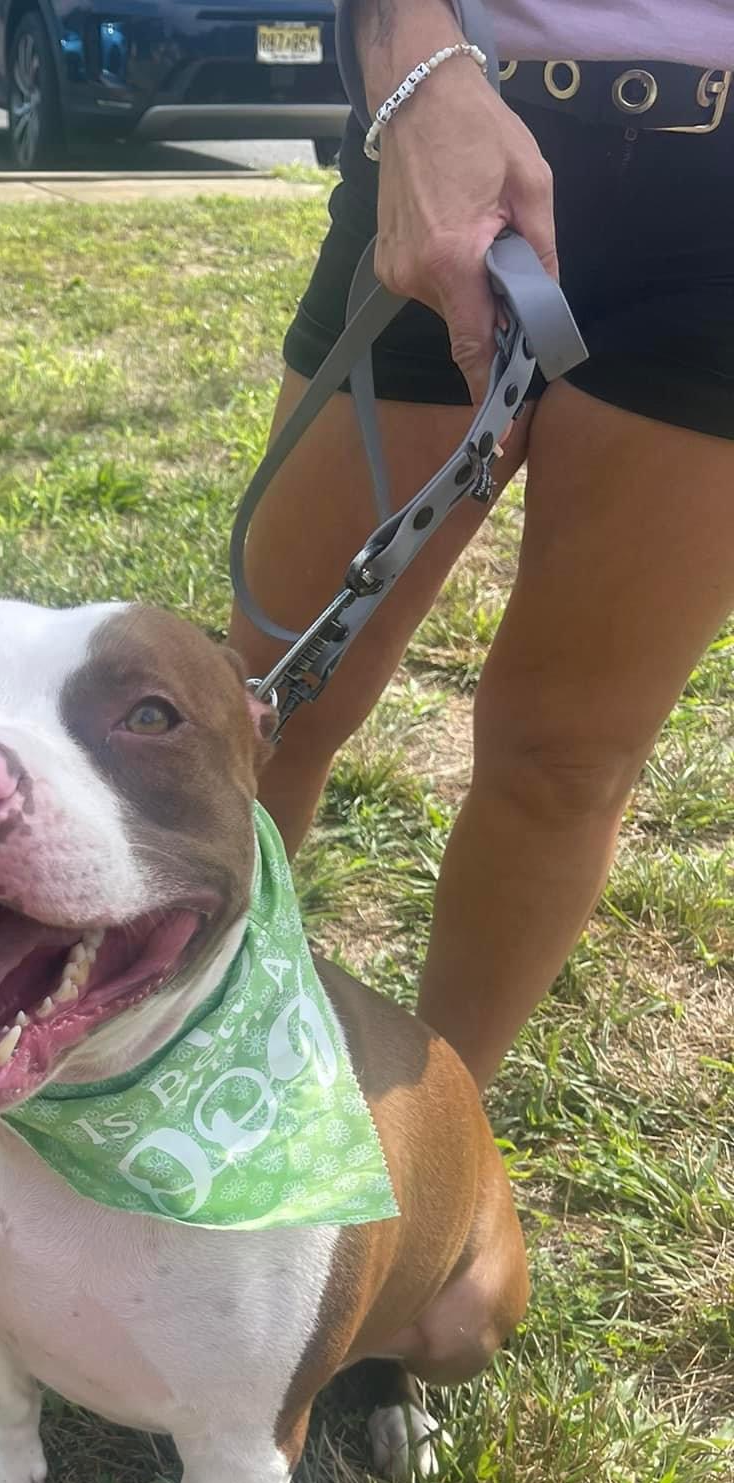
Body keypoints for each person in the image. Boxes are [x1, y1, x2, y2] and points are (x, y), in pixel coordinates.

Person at [226, 0, 734, 1089]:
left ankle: (435, 1146)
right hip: (468, 108)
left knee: (566, 762)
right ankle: (154, 1078)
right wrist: (416, 66)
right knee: (261, 710)